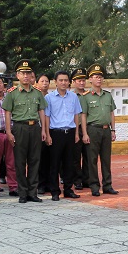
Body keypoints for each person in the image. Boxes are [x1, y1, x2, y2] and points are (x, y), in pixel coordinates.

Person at [3, 60, 47, 203]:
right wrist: (9, 132)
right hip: (19, 128)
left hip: (35, 127)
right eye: (23, 73)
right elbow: (7, 113)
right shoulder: (12, 93)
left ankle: (32, 192)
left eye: (28, 73)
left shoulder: (37, 92)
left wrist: (43, 130)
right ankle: (22, 192)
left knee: (35, 160)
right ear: (18, 75)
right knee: (20, 161)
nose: (26, 76)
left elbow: (41, 111)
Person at [44, 70, 86, 201]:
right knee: (54, 164)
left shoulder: (73, 97)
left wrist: (77, 133)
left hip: (70, 133)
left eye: (65, 80)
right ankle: (54, 191)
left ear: (69, 82)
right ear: (55, 82)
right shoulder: (49, 98)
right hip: (56, 133)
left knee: (70, 163)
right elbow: (47, 117)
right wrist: (47, 134)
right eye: (60, 80)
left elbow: (76, 115)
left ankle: (68, 189)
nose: (63, 83)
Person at [81, 64, 118, 197]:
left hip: (106, 130)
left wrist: (113, 130)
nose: (99, 79)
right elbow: (83, 115)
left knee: (106, 159)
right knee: (92, 160)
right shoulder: (85, 96)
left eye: (101, 77)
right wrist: (84, 133)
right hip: (93, 129)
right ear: (90, 79)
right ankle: (94, 186)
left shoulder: (107, 95)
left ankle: (107, 185)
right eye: (96, 77)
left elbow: (112, 113)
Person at [0, 72, 18, 197]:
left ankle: (13, 187)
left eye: (1, 82)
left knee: (11, 163)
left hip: (10, 133)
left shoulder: (10, 97)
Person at [70, 68, 89, 190]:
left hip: (88, 128)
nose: (81, 83)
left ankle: (87, 179)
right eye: (79, 81)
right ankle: (77, 180)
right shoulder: (70, 96)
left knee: (88, 155)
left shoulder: (89, 95)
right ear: (73, 82)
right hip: (75, 128)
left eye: (83, 80)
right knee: (76, 156)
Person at [35, 73, 52, 193]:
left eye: (46, 81)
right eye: (42, 81)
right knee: (39, 158)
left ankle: (49, 183)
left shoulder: (52, 97)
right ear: (37, 83)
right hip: (38, 130)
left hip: (51, 130)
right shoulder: (35, 96)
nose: (44, 83)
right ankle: (40, 184)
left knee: (49, 159)